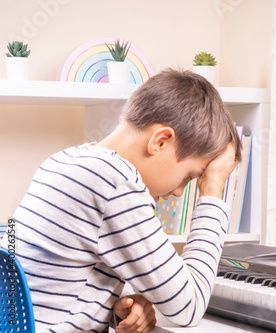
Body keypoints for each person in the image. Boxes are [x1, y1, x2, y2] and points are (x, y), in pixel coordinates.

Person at [1, 69, 242, 332]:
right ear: (160, 141)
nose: (178, 192)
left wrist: (112, 307)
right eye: (189, 177)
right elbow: (189, 305)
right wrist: (213, 190)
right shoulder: (116, 183)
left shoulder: (64, 160)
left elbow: (52, 288)